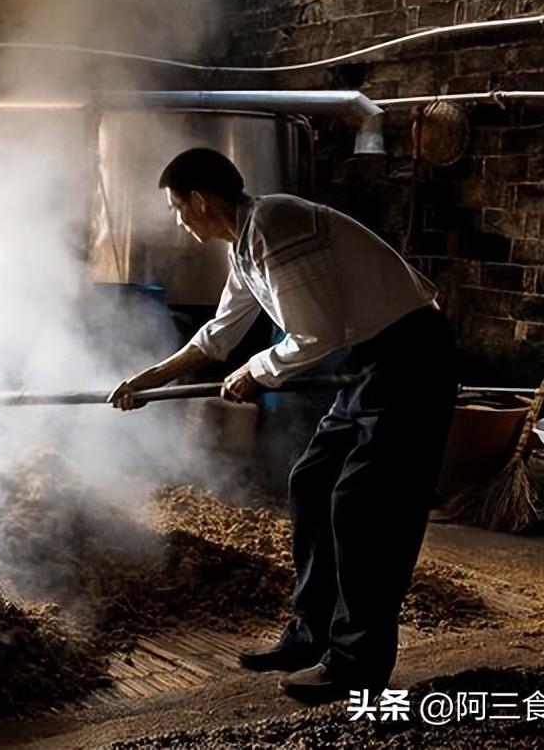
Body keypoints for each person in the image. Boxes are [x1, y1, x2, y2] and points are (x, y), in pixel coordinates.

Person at [108, 147, 457, 704]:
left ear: (200, 201)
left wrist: (256, 371)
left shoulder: (274, 226)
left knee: (363, 503)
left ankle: (355, 663)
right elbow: (220, 334)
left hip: (409, 355)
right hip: (370, 359)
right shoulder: (246, 243)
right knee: (312, 481)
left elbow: (312, 334)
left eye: (177, 207)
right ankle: (309, 634)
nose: (177, 220)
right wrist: (151, 379)